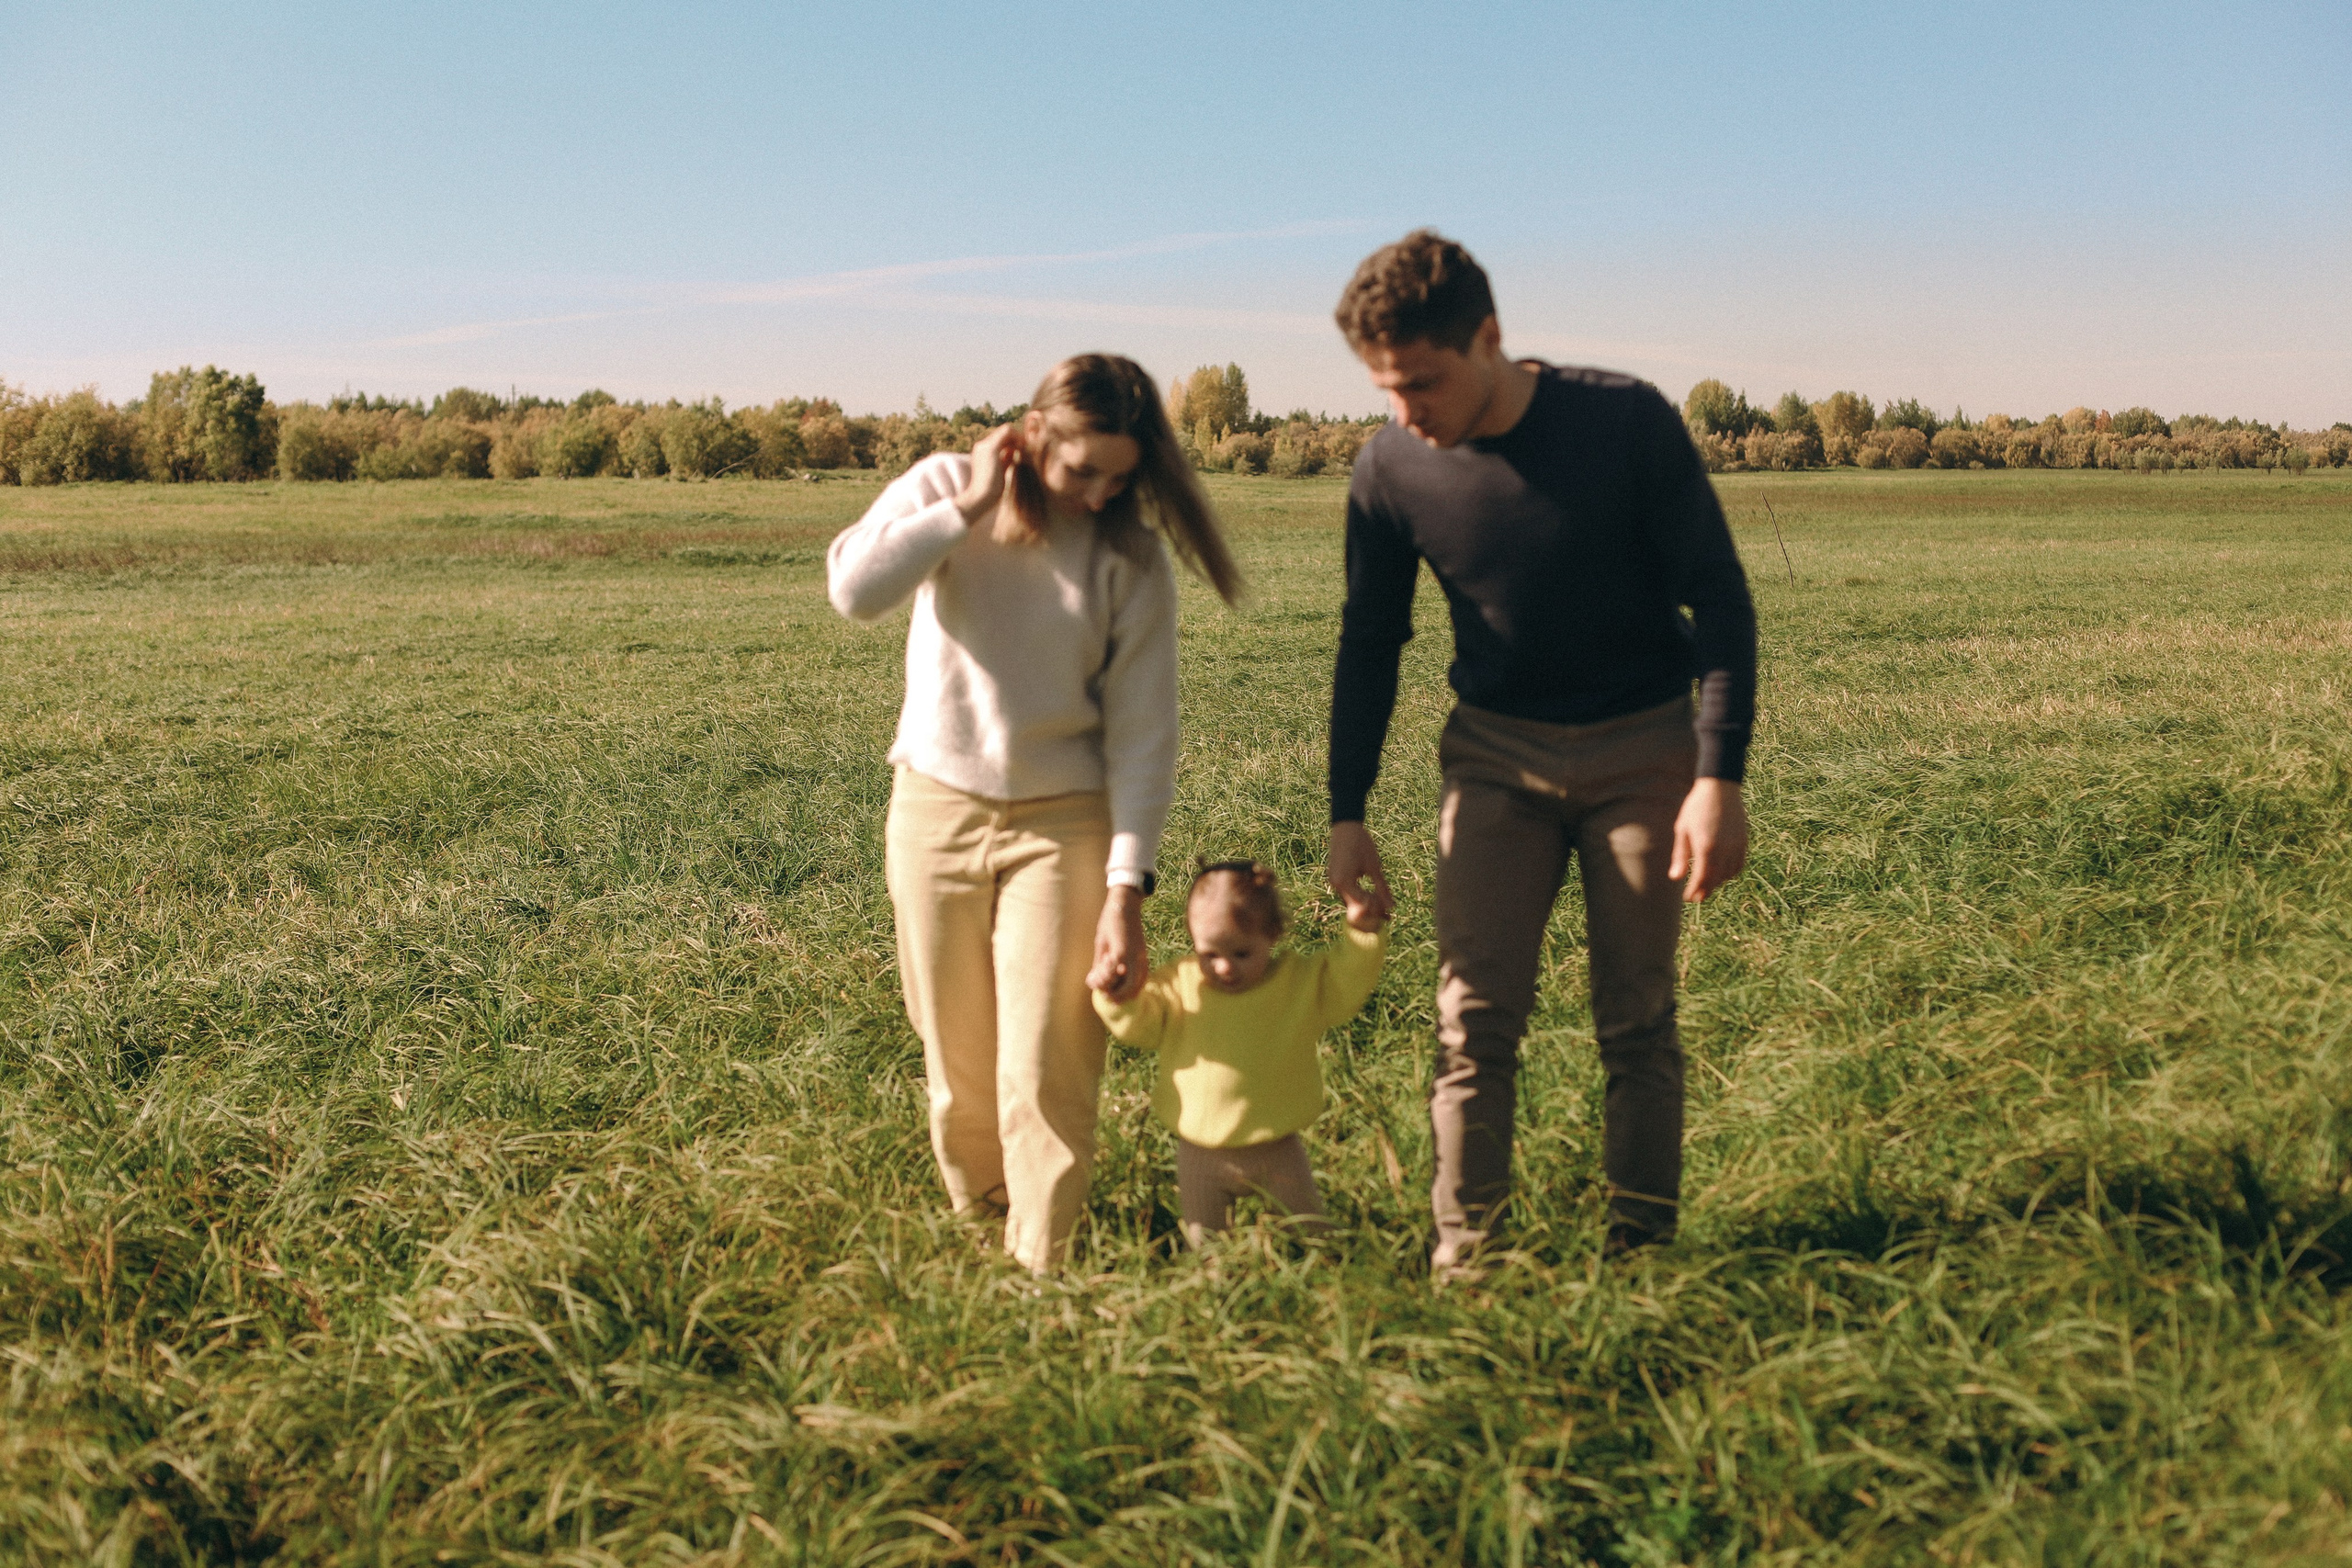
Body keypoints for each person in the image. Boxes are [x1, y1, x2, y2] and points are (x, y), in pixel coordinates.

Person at [1322, 231, 1758, 1269]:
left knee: (1636, 1018)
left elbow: (1720, 597)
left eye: (1421, 382)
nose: (1404, 412)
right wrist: (1347, 808)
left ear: (1488, 337)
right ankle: (1467, 1260)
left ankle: (1642, 1254)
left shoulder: (1624, 421)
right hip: (1492, 759)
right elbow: (1369, 642)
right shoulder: (1389, 468)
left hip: (1643, 750)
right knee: (1470, 1022)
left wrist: (1716, 776)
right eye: (1384, 389)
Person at [827, 353, 1243, 1274]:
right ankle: (982, 1230)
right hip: (934, 810)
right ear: (1032, 432)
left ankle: (1043, 1266)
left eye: (1120, 479)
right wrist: (969, 505)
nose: (1099, 495)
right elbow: (854, 591)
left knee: (1047, 1065)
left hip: (1066, 826)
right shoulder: (944, 487)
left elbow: (1144, 737)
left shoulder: (1129, 558)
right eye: (1083, 470)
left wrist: (1126, 889)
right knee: (957, 1065)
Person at [1093, 860, 1387, 1249]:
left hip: (1277, 1149)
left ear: (1272, 934)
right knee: (1207, 1250)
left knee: (1314, 1238)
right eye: (1209, 954)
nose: (1224, 967)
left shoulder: (1297, 983)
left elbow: (1343, 984)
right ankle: (1217, 1283)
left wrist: (1362, 934)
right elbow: (1140, 1027)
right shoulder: (1180, 986)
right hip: (1200, 1153)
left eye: (1242, 953)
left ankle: (1338, 1274)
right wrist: (1117, 995)